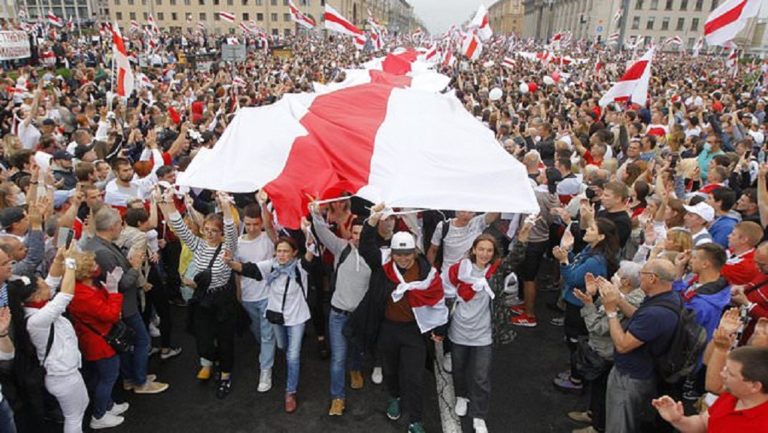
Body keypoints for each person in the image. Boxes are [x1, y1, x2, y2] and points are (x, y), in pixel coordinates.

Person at [348, 203, 448, 433]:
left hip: (413, 331)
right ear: (392, 253)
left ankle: (416, 420)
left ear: (415, 252)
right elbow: (366, 246)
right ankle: (394, 396)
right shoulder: (383, 264)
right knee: (390, 372)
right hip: (387, 329)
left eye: (407, 253)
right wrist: (373, 219)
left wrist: (440, 328)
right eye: (398, 254)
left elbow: (437, 300)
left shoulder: (427, 273)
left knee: (414, 378)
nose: (403, 259)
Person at [159, 190, 238, 399]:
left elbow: (231, 229)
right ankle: (212, 361)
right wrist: (168, 202)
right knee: (203, 340)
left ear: (221, 233)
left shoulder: (228, 247)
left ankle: (225, 375)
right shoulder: (199, 245)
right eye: (207, 229)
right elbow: (181, 229)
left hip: (222, 301)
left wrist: (226, 206)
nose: (209, 233)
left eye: (214, 230)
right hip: (202, 301)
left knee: (225, 340)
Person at [83, 207, 168, 394]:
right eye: (120, 224)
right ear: (113, 226)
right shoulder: (102, 252)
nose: (122, 228)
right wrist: (135, 266)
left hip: (120, 306)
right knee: (142, 341)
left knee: (130, 343)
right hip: (124, 306)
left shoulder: (98, 244)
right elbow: (121, 284)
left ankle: (131, 377)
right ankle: (140, 382)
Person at [226, 234, 314, 413]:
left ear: (294, 253)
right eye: (279, 251)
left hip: (296, 317)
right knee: (282, 346)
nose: (281, 255)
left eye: (285, 251)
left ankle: (290, 392)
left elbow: (310, 251)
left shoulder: (300, 267)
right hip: (276, 316)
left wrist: (309, 232)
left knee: (293, 355)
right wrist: (229, 262)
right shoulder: (270, 266)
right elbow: (248, 269)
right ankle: (290, 364)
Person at [7, 245, 87, 433]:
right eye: (42, 285)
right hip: (62, 375)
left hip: (66, 372)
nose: (48, 285)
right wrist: (71, 262)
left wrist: (59, 259)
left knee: (80, 409)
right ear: (35, 295)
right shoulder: (37, 320)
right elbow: (66, 294)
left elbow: (53, 279)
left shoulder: (36, 306)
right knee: (74, 418)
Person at [601, 259, 681, 433]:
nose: (639, 278)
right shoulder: (667, 298)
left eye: (642, 274)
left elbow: (623, 345)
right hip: (644, 371)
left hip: (631, 376)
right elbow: (639, 317)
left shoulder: (655, 314)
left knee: (619, 424)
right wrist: (619, 299)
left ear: (652, 278)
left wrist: (611, 311)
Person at [310, 203, 371, 416]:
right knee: (338, 357)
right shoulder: (341, 247)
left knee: (356, 348)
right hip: (338, 314)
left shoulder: (375, 256)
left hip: (359, 316)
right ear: (350, 234)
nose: (357, 237)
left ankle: (355, 369)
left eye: (362, 234)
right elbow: (321, 231)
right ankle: (337, 398)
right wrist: (315, 212)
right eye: (354, 233)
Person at [552, 218, 620, 392]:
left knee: (575, 340)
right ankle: (576, 370)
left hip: (579, 305)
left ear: (601, 236)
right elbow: (577, 264)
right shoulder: (591, 250)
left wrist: (563, 261)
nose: (587, 230)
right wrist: (568, 253)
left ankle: (576, 378)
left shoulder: (595, 261)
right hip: (577, 303)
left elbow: (574, 278)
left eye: (591, 228)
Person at [67, 251, 127, 429]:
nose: (97, 266)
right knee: (108, 377)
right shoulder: (82, 294)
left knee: (103, 376)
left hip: (99, 337)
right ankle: (99, 415)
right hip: (99, 342)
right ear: (84, 272)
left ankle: (108, 405)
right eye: (92, 264)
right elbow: (110, 314)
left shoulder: (87, 287)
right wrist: (114, 293)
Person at [653, 346, 768, 433]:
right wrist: (677, 419)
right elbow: (703, 423)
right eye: (725, 368)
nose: (722, 374)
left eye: (731, 374)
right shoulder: (731, 395)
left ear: (755, 386)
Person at [235, 201, 277, 393]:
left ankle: (265, 370)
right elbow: (236, 271)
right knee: (258, 332)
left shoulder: (268, 239)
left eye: (255, 224)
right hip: (248, 296)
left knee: (267, 334)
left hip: (268, 295)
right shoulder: (238, 243)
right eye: (248, 224)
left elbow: (269, 227)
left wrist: (263, 205)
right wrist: (239, 294)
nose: (252, 228)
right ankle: (267, 354)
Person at [722, 221, 762, 286]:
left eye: (733, 234)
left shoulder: (747, 265)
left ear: (744, 240)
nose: (728, 236)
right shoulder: (731, 251)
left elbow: (713, 272)